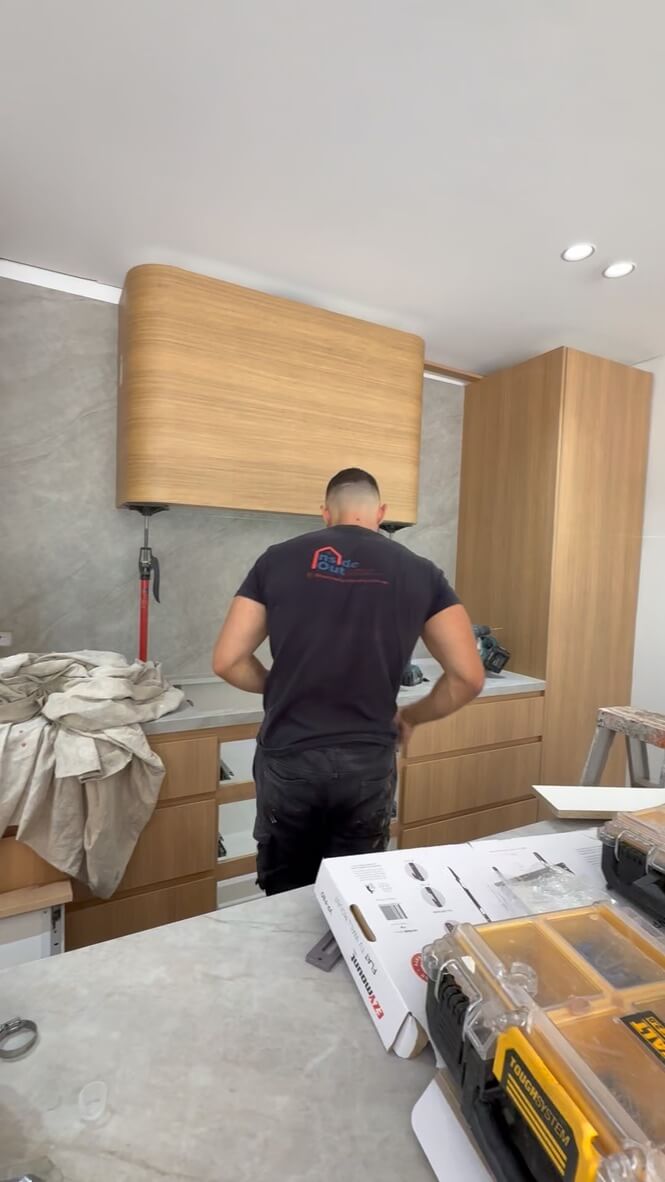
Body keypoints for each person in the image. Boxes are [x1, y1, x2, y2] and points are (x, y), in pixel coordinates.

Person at [212, 468, 484, 894]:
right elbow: (468, 677)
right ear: (381, 513)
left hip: (290, 755)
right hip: (367, 762)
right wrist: (412, 716)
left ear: (326, 512)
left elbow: (227, 661)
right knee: (357, 893)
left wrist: (280, 685)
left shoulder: (276, 559)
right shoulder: (421, 572)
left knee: (286, 894)